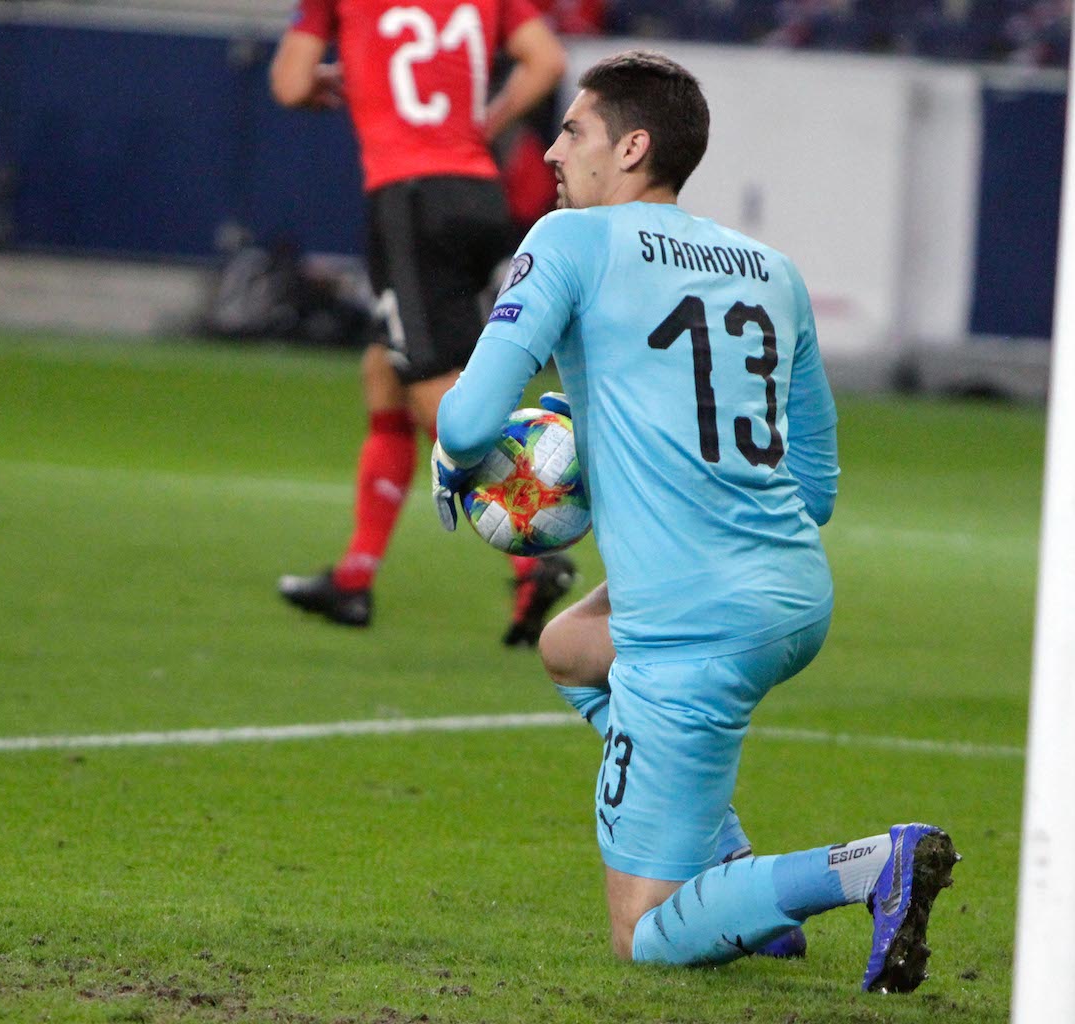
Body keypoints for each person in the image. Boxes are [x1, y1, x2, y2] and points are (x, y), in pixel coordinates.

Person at [431, 50, 958, 987]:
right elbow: (817, 491)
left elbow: (470, 420)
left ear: (632, 147)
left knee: (643, 934)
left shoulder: (570, 240)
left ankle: (869, 866)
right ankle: (736, 883)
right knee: (567, 647)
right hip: (794, 595)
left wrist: (452, 460)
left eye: (574, 130)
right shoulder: (772, 269)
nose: (552, 150)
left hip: (692, 627)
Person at [269, 0, 579, 646]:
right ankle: (355, 579)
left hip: (409, 199)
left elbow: (291, 83)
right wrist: (487, 122)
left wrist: (325, 78)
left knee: (435, 385)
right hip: (478, 194)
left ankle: (535, 554)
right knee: (385, 369)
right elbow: (547, 60)